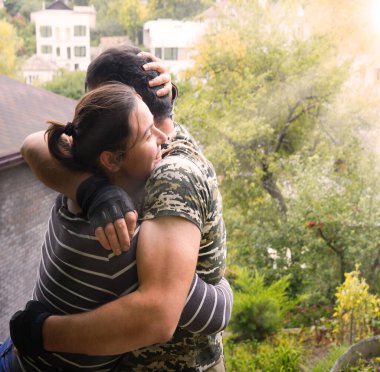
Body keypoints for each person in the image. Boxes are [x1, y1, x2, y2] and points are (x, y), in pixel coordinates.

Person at [12, 47, 229, 371]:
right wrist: (93, 191)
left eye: (106, 100)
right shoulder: (115, 203)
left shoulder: (169, 175)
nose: (91, 119)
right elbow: (33, 144)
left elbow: (160, 312)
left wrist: (41, 332)